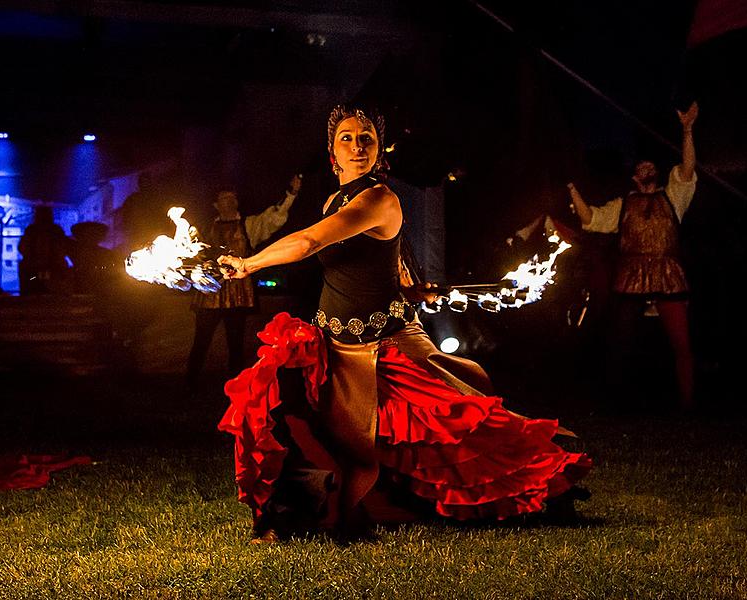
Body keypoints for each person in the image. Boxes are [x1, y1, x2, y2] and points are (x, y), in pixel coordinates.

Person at [217, 105, 591, 541]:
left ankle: (539, 481)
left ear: (378, 151)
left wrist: (248, 263)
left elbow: (310, 240)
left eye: (367, 139)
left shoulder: (379, 198)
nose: (357, 146)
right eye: (347, 138)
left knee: (449, 430)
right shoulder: (335, 199)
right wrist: (415, 288)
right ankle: (309, 506)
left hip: (387, 346)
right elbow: (381, 265)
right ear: (332, 151)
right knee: (292, 413)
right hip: (336, 346)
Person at [567, 102, 699, 411]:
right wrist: (571, 187)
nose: (647, 168)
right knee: (621, 344)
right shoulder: (623, 205)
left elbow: (688, 168)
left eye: (651, 166)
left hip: (668, 273)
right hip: (632, 275)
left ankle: (688, 404)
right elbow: (589, 219)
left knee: (681, 344)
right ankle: (615, 404)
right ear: (635, 176)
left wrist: (688, 129)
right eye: (641, 167)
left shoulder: (673, 196)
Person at [186, 177, 302, 391]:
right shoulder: (205, 228)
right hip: (210, 294)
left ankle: (237, 389)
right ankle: (188, 386)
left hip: (238, 293)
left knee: (236, 343)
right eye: (224, 199)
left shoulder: (248, 226)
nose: (229, 202)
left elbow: (273, 218)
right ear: (216, 205)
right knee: (200, 341)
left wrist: (291, 195)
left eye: (232, 198)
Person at [18, 205, 71, 295]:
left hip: (37, 269)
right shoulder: (55, 230)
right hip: (51, 270)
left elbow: (22, 248)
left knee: (32, 289)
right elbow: (63, 248)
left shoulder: (32, 230)